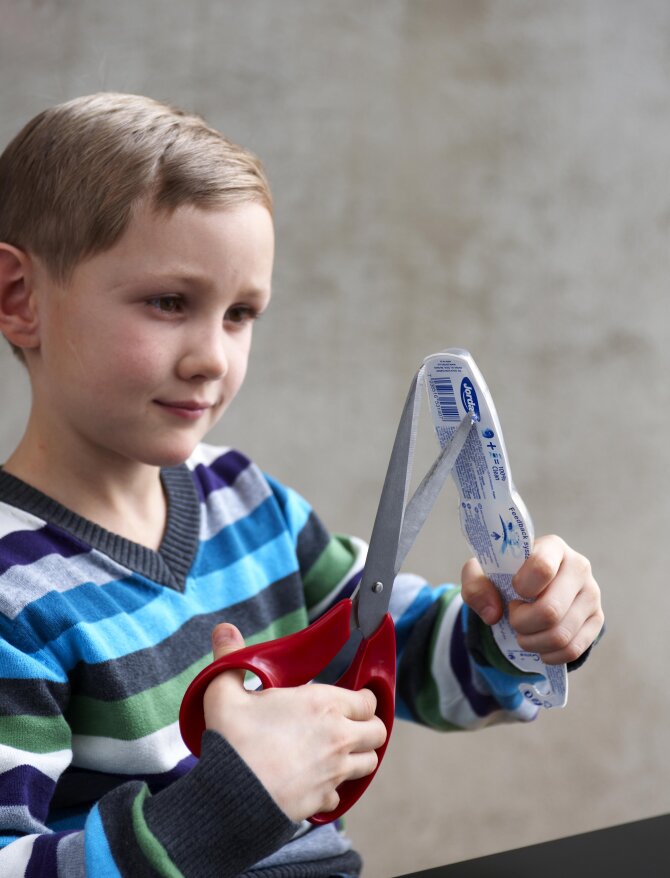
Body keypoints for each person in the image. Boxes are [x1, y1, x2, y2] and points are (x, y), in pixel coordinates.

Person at [0, 93, 603, 878]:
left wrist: (523, 627)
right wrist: (231, 801)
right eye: (169, 303)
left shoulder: (247, 501)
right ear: (20, 299)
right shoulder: (15, 592)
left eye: (240, 314)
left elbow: (414, 654)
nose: (213, 357)